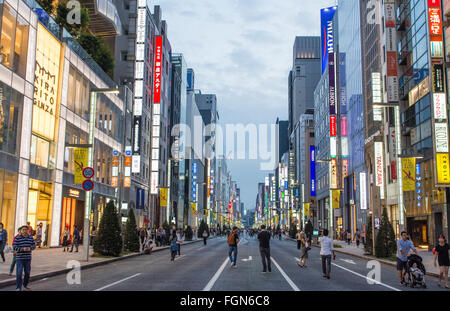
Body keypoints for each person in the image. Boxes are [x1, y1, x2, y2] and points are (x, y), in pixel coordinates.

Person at [13, 225, 36, 291]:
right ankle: (18, 287)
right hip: (20, 258)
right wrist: (22, 249)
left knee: (27, 273)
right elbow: (14, 246)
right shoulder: (18, 238)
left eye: (26, 230)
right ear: (21, 230)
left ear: (28, 231)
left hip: (28, 258)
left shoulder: (30, 238)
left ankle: (25, 284)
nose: (25, 231)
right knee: (19, 273)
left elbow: (33, 245)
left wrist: (30, 248)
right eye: (23, 230)